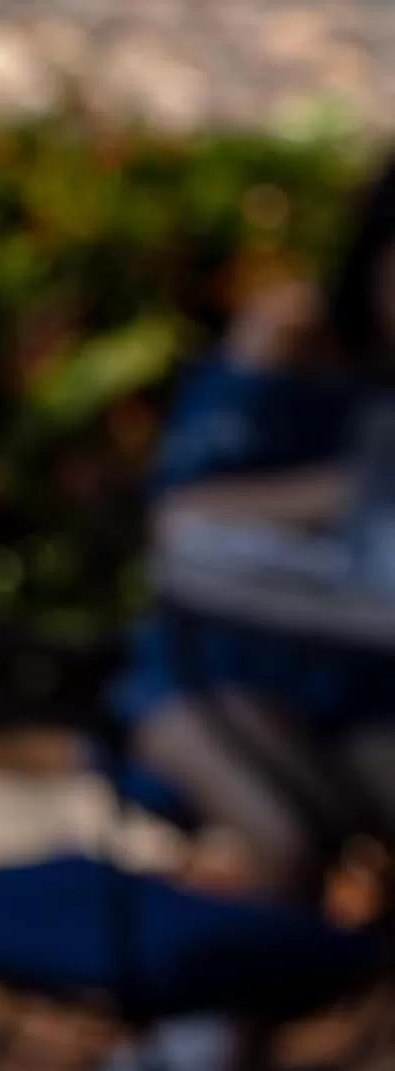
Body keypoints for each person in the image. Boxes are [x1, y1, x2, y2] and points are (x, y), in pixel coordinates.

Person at [120, 159, 395, 900]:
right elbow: (176, 514)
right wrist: (342, 493)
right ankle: (205, 1019)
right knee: (286, 842)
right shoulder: (294, 334)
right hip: (205, 666)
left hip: (361, 682)